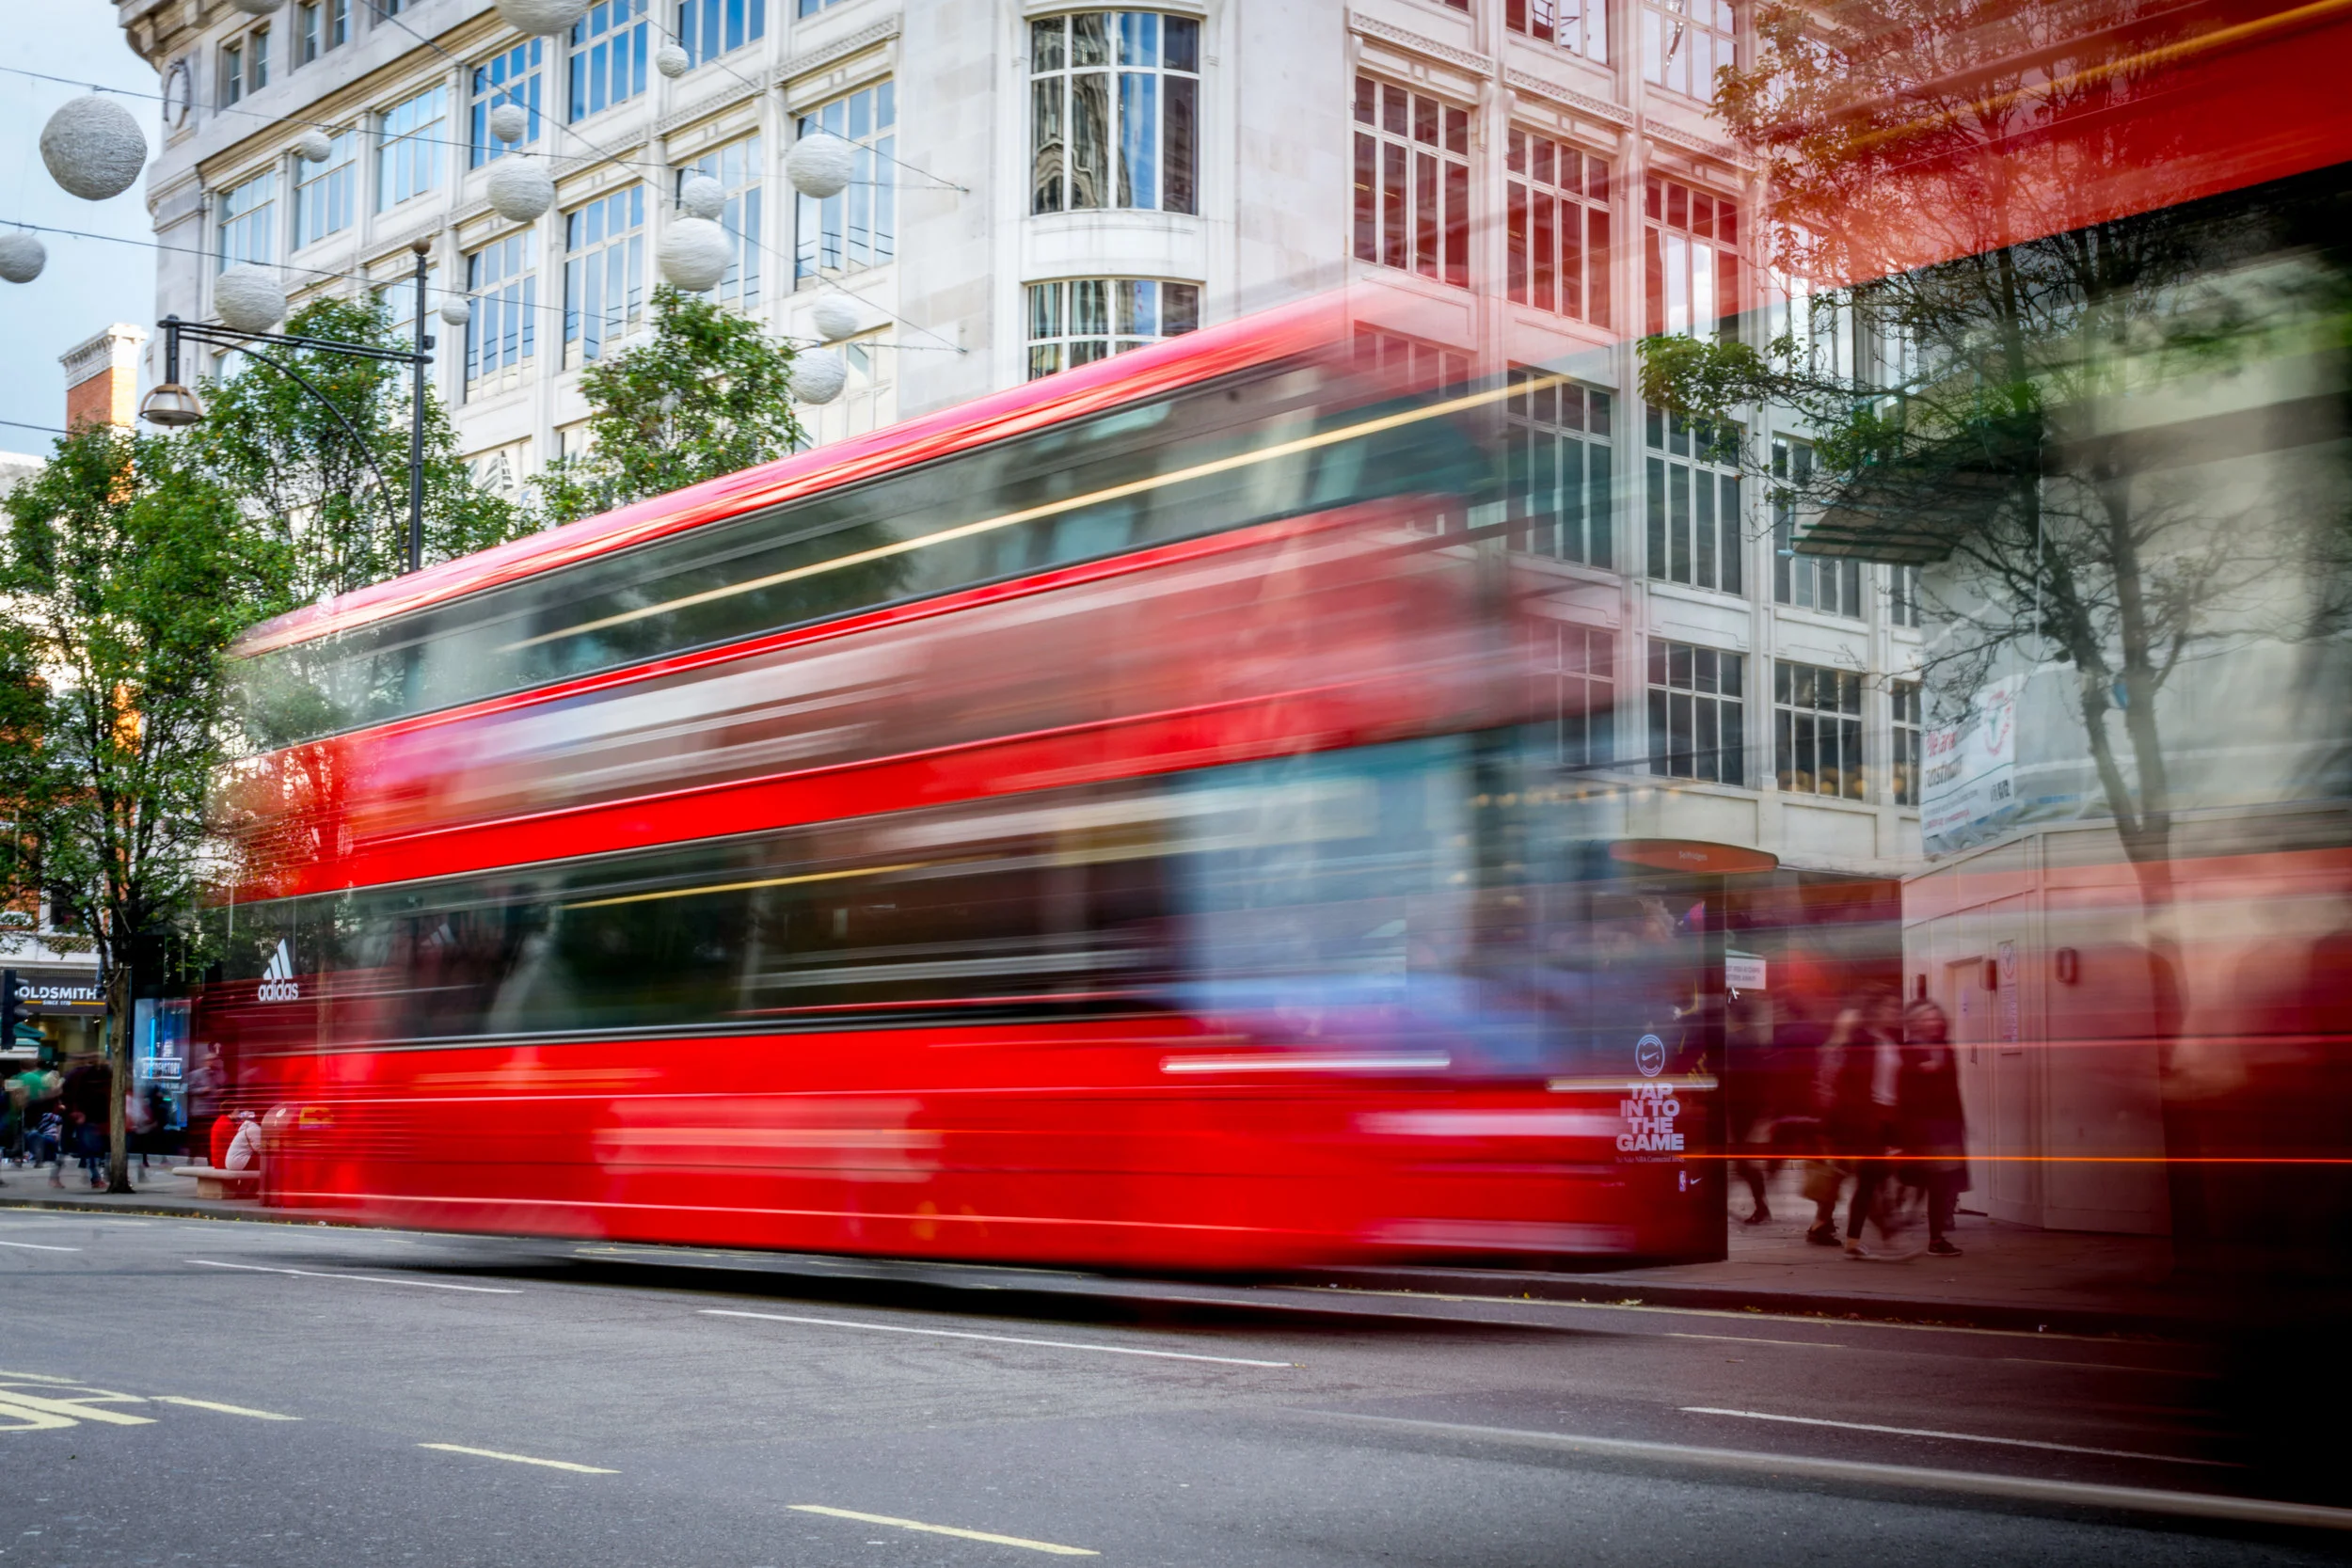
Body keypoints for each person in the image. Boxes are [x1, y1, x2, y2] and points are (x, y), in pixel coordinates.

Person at [1813, 985, 1904, 1257]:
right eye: (1890, 1007)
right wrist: (1856, 1122)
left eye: (1896, 1008)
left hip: (1886, 1117)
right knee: (1871, 1179)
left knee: (1873, 1179)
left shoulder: (1889, 1039)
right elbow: (1847, 1084)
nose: (1895, 1012)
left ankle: (1858, 1237)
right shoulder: (1861, 1039)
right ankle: (1871, 1237)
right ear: (1875, 1010)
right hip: (1866, 1120)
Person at [1897, 998, 1968, 1257]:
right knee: (1923, 1177)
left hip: (1945, 1125)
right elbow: (1902, 1090)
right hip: (1919, 1125)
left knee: (1941, 1180)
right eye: (1927, 1018)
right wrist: (1922, 1072)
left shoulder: (1946, 1049)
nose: (1934, 1022)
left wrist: (1959, 1122)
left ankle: (1936, 1236)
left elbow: (1953, 1089)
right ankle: (1903, 1212)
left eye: (1936, 1017)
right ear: (1915, 1023)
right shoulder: (1907, 1051)